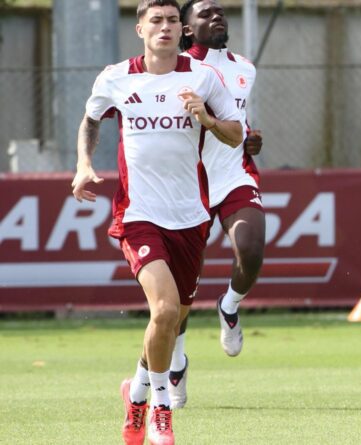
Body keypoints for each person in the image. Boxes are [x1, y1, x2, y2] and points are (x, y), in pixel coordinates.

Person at [71, 1, 243, 443]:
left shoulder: (203, 77)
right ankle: (160, 411)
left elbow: (236, 133)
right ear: (140, 28)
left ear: (181, 29)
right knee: (164, 309)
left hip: (189, 217)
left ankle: (137, 388)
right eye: (156, 21)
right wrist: (83, 163)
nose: (164, 28)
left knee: (171, 320)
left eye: (171, 21)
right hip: (138, 215)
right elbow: (91, 119)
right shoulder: (116, 77)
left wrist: (204, 117)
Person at [166, 0, 265, 410]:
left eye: (220, 11)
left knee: (252, 251)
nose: (217, 16)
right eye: (205, 14)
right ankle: (176, 362)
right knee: (182, 289)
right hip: (188, 184)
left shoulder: (245, 67)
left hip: (233, 174)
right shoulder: (173, 71)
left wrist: (250, 138)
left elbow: (237, 121)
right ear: (187, 29)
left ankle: (229, 305)